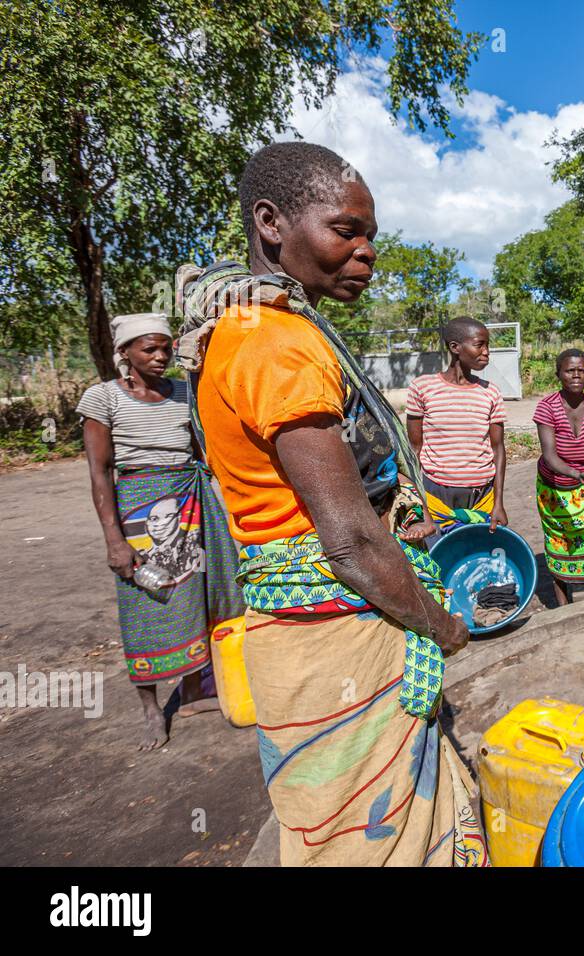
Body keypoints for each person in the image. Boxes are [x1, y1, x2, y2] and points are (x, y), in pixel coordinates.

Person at [185, 141, 485, 866]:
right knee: (376, 842)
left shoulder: (249, 331)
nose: (367, 252)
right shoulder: (279, 345)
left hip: (297, 629)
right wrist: (442, 625)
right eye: (346, 231)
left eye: (371, 236)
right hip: (334, 633)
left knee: (335, 829)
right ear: (271, 222)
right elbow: (350, 543)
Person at [76, 313, 243, 751]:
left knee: (196, 594)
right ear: (125, 352)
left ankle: (191, 692)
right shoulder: (103, 398)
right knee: (143, 603)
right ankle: (151, 707)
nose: (160, 356)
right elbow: (100, 472)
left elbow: (206, 446)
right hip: (138, 507)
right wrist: (115, 540)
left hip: (190, 500)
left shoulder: (185, 392)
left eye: (165, 348)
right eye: (149, 349)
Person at [399, 317, 508, 540]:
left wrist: (498, 503)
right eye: (480, 345)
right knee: (437, 558)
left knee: (478, 560)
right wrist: (419, 506)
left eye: (488, 345)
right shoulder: (423, 388)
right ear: (455, 347)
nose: (487, 352)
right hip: (435, 496)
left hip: (482, 496)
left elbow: (498, 449)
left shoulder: (491, 393)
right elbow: (414, 450)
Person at [533, 349, 584, 605]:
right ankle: (563, 604)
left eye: (582, 370)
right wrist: (577, 473)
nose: (576, 375)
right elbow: (550, 456)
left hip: (583, 486)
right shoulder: (546, 407)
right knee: (559, 543)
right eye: (570, 370)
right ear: (558, 373)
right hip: (553, 488)